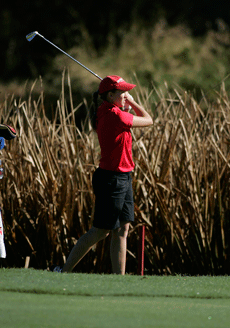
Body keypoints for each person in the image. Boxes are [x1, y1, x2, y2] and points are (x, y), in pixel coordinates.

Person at [54, 75, 153, 274]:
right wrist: (133, 102)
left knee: (122, 229)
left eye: (127, 92)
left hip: (124, 176)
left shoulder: (108, 110)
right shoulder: (115, 115)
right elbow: (149, 120)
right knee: (100, 231)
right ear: (109, 95)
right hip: (112, 179)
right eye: (122, 92)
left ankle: (119, 280)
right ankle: (63, 271)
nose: (126, 95)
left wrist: (125, 100)